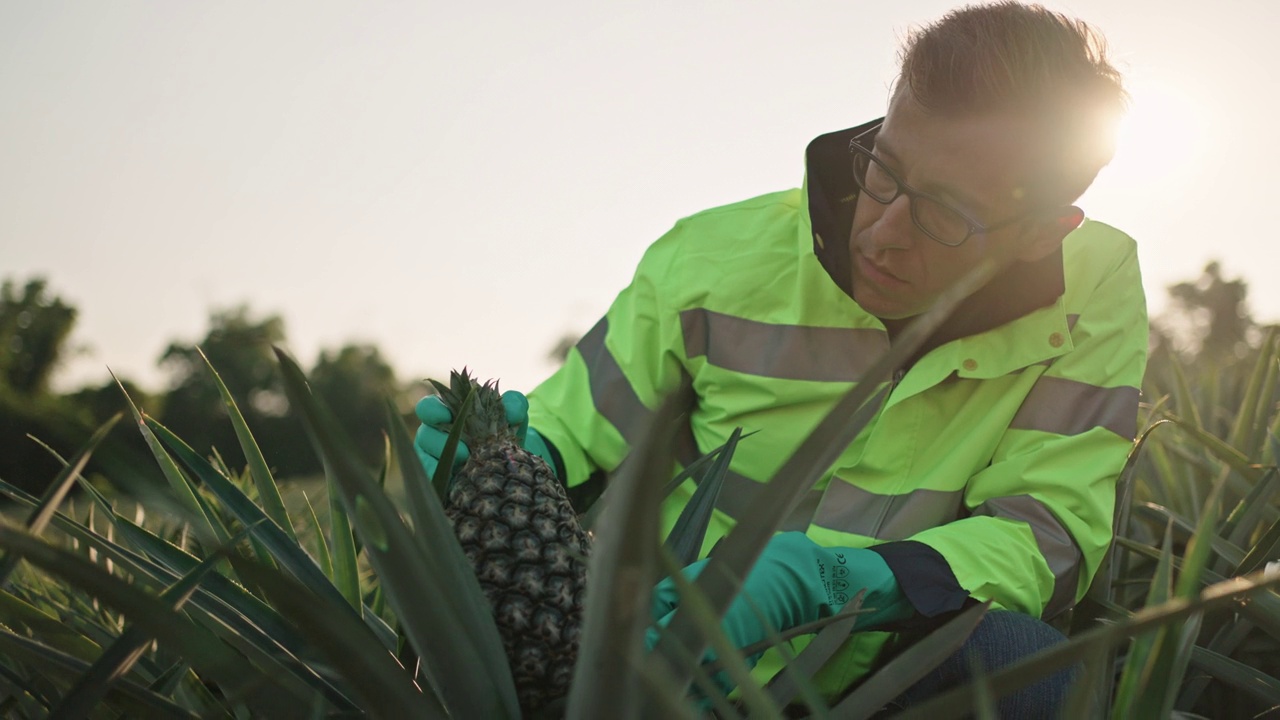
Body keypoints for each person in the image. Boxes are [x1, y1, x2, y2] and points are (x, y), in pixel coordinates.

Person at [416, 2, 1146, 715]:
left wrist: (835, 581)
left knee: (1034, 672)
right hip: (661, 653)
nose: (881, 232)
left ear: (1043, 233)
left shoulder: (1096, 284)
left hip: (891, 655)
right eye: (883, 170)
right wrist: (503, 459)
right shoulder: (708, 257)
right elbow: (573, 427)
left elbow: (1044, 533)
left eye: (946, 215)